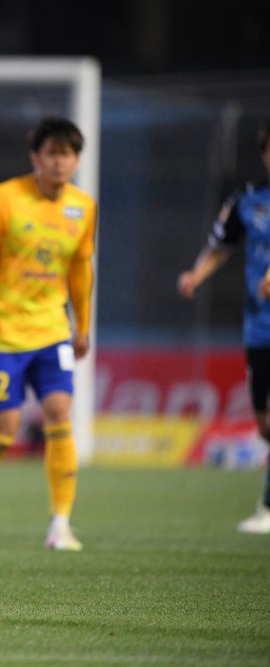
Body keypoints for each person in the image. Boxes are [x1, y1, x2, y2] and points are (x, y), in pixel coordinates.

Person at [0, 117, 97, 551]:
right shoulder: (4, 198)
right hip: (5, 335)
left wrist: (83, 326)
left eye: (67, 154)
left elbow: (80, 269)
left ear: (76, 160)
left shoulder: (83, 208)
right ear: (36, 157)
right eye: (52, 154)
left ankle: (60, 524)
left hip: (53, 332)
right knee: (3, 434)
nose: (59, 162)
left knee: (59, 415)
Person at [178, 120, 270, 535]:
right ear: (264, 153)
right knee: (265, 423)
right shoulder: (248, 200)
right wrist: (196, 275)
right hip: (260, 326)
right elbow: (221, 246)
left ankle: (267, 507)